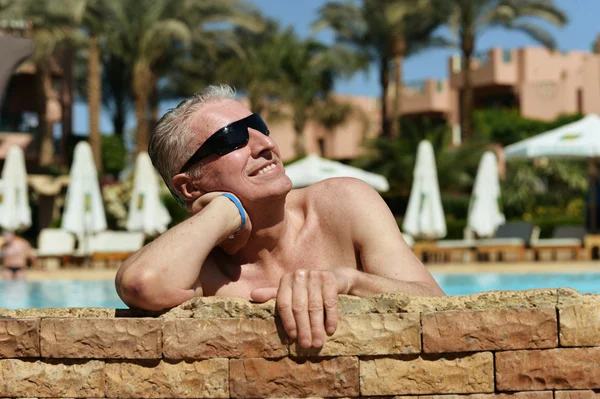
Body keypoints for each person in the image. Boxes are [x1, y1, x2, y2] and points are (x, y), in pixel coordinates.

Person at [116, 84, 445, 349]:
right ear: (189, 186)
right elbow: (142, 284)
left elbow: (438, 306)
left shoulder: (344, 202)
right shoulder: (198, 267)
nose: (265, 144)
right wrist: (222, 212)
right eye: (233, 138)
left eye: (258, 126)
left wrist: (348, 280)